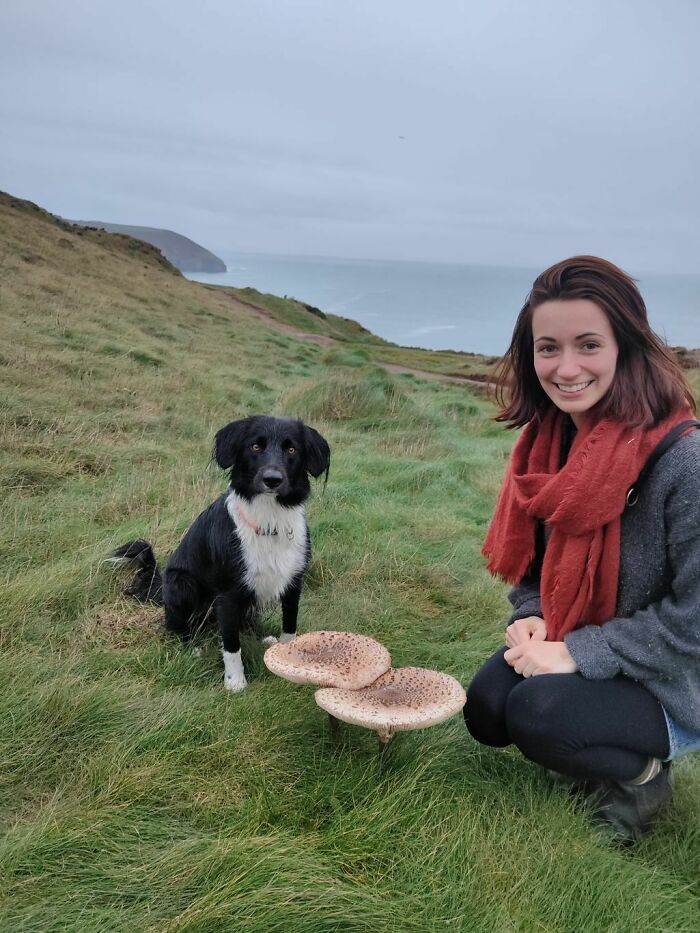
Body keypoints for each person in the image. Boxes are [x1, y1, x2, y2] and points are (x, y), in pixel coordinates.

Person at [463, 255, 700, 844]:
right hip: (587, 638)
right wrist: (533, 617)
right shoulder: (548, 444)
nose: (565, 368)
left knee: (537, 713)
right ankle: (589, 749)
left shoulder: (685, 464)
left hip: (676, 674)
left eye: (588, 344)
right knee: (488, 708)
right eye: (548, 348)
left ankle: (641, 778)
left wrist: (579, 654)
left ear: (626, 344)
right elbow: (535, 571)